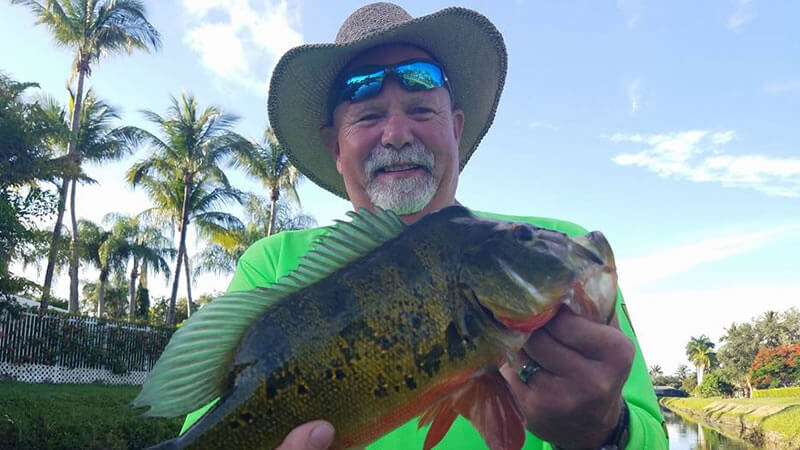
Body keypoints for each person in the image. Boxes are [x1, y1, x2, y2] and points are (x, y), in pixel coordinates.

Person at [180, 3, 668, 449]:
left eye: (420, 111)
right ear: (335, 146)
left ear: (455, 128)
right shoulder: (272, 265)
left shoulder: (558, 247)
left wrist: (607, 429)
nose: (396, 134)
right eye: (369, 116)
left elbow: (653, 436)